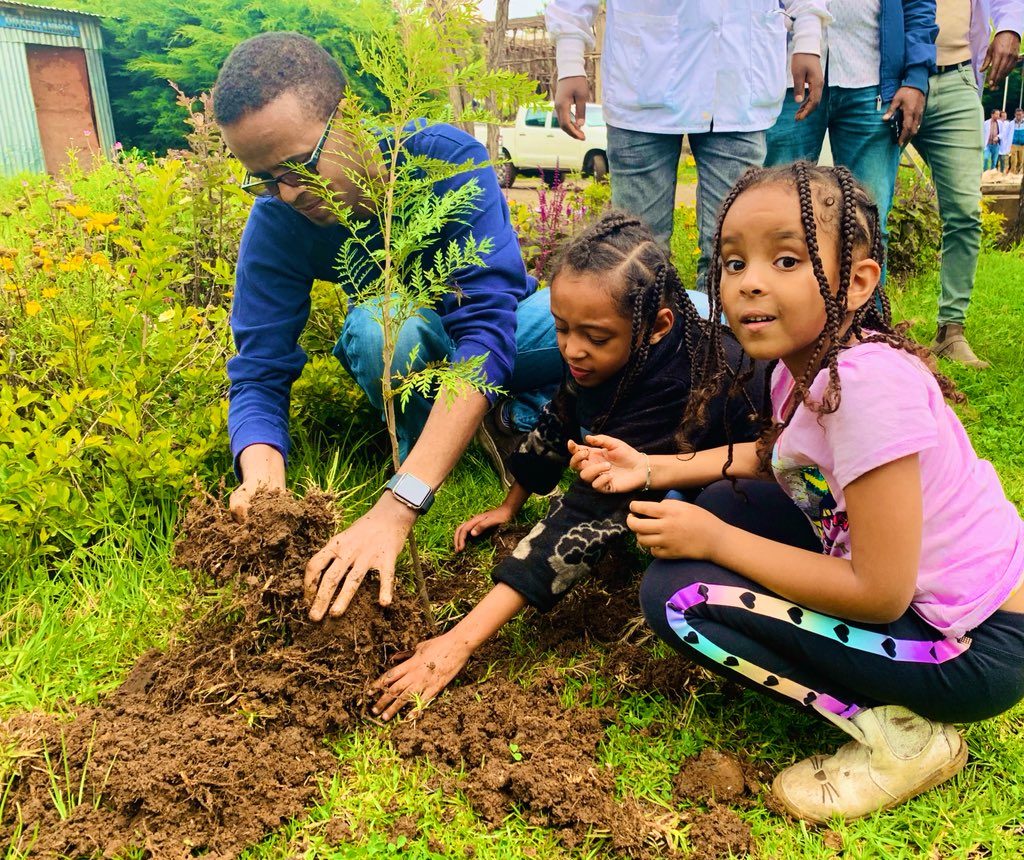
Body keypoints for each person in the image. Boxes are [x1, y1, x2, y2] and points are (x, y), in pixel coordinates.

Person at [571, 163, 1024, 822]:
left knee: (678, 598)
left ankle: (903, 738)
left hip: (970, 650)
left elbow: (879, 591)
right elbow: (781, 458)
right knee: (734, 499)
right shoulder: (814, 364)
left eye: (786, 258)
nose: (749, 280)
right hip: (952, 615)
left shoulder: (866, 392)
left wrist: (716, 542)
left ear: (859, 282)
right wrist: (654, 469)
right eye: (732, 262)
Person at [212, 32, 562, 620]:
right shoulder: (277, 217)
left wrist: (398, 508)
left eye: (299, 165)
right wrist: (263, 476)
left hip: (508, 329)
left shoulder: (441, 157)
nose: (289, 192)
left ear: (346, 115)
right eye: (264, 177)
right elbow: (258, 371)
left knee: (631, 315)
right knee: (383, 331)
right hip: (412, 352)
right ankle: (445, 446)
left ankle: (501, 417)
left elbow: (487, 334)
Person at [370, 213, 765, 720]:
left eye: (595, 338)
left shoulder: (683, 378)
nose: (572, 349)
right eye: (560, 328)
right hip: (663, 455)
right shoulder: (600, 349)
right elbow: (561, 415)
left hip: (753, 475)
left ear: (657, 326)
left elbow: (583, 514)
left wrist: (459, 642)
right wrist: (511, 503)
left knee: (691, 512)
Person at [545, 0, 830, 291]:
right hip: (643, 79)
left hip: (738, 81)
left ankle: (721, 336)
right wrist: (569, 62)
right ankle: (647, 335)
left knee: (731, 251)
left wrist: (807, 37)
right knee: (637, 254)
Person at [766, 0, 938, 249]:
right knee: (777, 217)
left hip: (872, 80)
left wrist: (916, 77)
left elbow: (918, 5)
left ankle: (866, 290)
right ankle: (782, 289)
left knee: (869, 224)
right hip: (788, 76)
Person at [915, 1, 1022, 369]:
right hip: (887, 77)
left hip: (959, 77)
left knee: (964, 211)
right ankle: (868, 329)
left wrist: (1010, 28)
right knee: (869, 211)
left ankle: (951, 331)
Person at [1012, 107, 1024, 173]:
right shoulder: (1011, 123)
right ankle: (1012, 173)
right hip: (1013, 144)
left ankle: (1017, 171)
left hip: (1022, 144)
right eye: (1017, 114)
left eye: (1020, 114)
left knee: (1020, 161)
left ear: (1023, 114)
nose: (1019, 116)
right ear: (1015, 115)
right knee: (1013, 160)